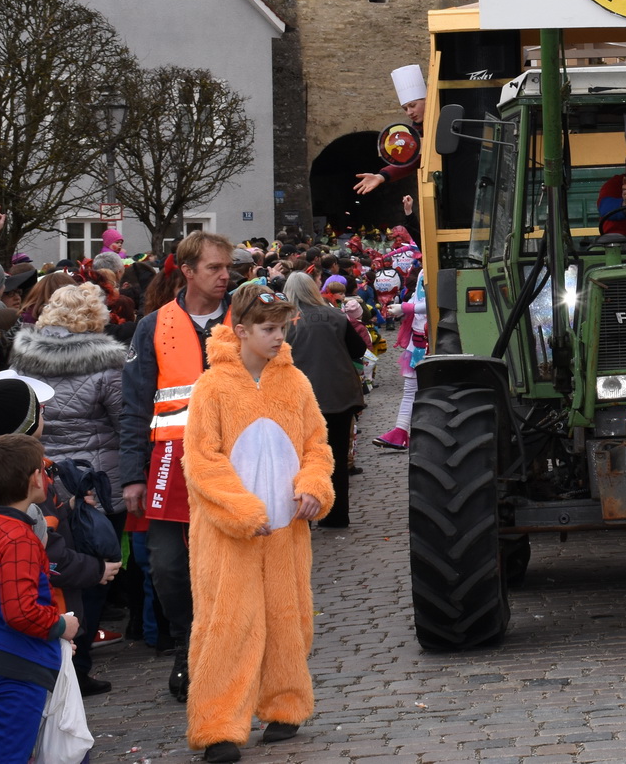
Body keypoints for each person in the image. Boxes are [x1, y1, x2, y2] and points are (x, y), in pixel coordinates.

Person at [182, 285, 332, 762]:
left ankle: (285, 704)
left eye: (282, 327)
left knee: (289, 618)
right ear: (241, 330)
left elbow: (316, 445)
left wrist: (313, 486)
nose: (278, 336)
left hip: (287, 530)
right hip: (229, 536)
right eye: (268, 328)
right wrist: (242, 511)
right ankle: (218, 725)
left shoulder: (296, 383)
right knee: (227, 624)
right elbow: (201, 461)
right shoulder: (212, 387)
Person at [118, 230, 236, 701]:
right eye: (214, 267)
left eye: (228, 267)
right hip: (171, 465)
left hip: (235, 464)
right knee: (167, 568)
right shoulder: (154, 325)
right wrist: (132, 475)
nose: (225, 276)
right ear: (187, 271)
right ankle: (187, 642)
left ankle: (229, 654)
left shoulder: (247, 317)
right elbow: (135, 405)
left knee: (232, 566)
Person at [9, 281, 129, 692]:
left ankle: (61, 661)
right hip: (96, 479)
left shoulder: (24, 357)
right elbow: (123, 421)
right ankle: (80, 664)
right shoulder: (107, 362)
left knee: (56, 566)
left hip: (44, 477)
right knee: (98, 571)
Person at [0, 433, 79, 764]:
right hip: (16, 663)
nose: (48, 476)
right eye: (44, 469)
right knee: (8, 756)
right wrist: (60, 626)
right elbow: (21, 611)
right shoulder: (18, 538)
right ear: (34, 479)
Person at [283, 273, 367, 529]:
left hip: (299, 397)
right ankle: (336, 515)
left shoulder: (282, 321)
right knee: (336, 456)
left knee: (299, 459)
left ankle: (303, 517)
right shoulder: (336, 316)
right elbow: (359, 349)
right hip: (338, 394)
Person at [353, 64, 426, 211]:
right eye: (405, 108)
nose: (409, 112)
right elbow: (410, 160)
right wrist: (381, 176)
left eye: (412, 105)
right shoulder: (415, 134)